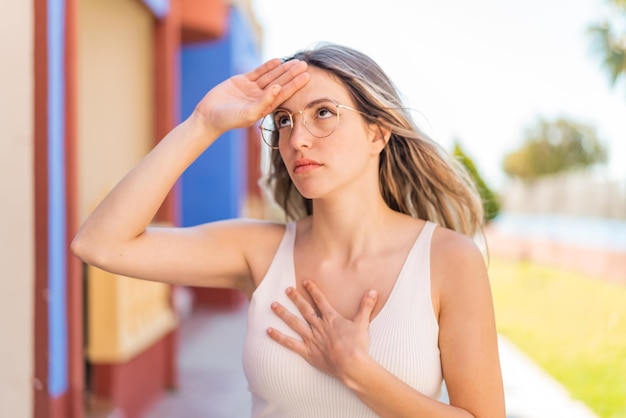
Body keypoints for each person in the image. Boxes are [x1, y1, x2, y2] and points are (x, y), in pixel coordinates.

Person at [72, 42, 505, 417]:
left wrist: (358, 371)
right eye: (283, 120)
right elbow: (100, 244)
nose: (297, 139)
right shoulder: (257, 251)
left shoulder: (449, 260)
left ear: (378, 132)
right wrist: (203, 122)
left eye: (322, 113)